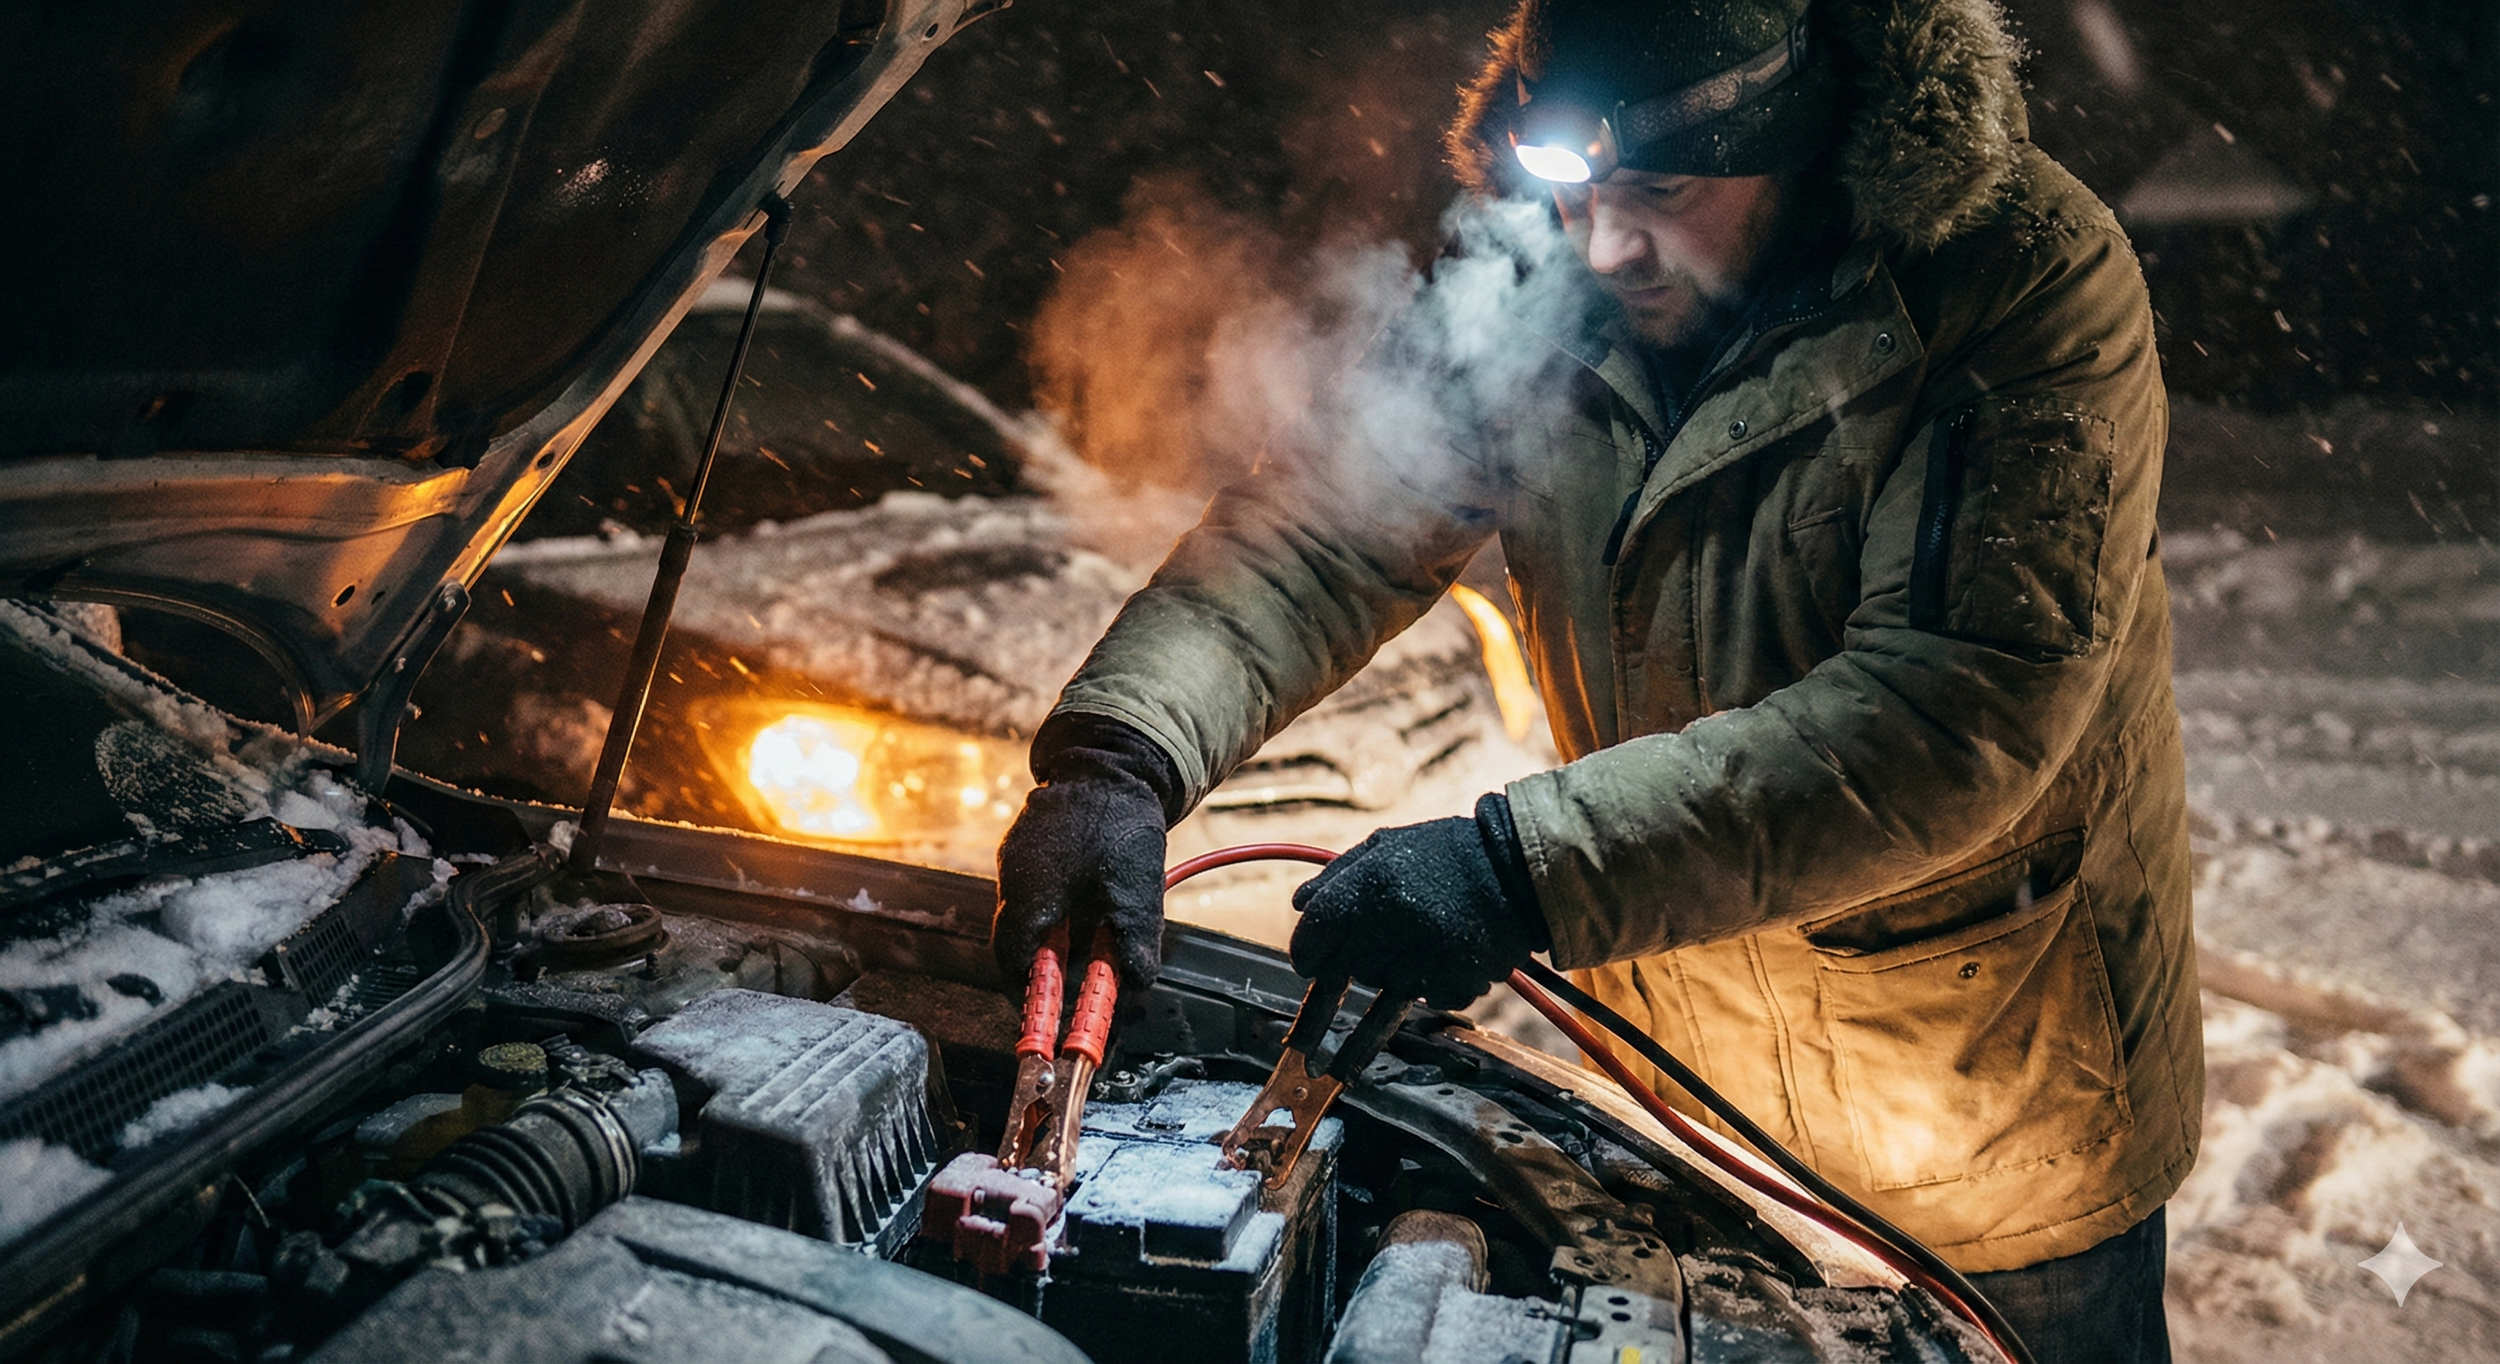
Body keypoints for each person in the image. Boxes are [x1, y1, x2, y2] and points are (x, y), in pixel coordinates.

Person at [992, 1, 2195, 1358]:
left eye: (1662, 196)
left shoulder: (2014, 277)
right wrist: (1120, 754)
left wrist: (1521, 870)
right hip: (1664, 1103)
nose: (1604, 246)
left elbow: (1952, 711)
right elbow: (1327, 534)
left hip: (1980, 1132)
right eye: (1576, 193)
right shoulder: (1540, 267)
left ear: (1793, 138)